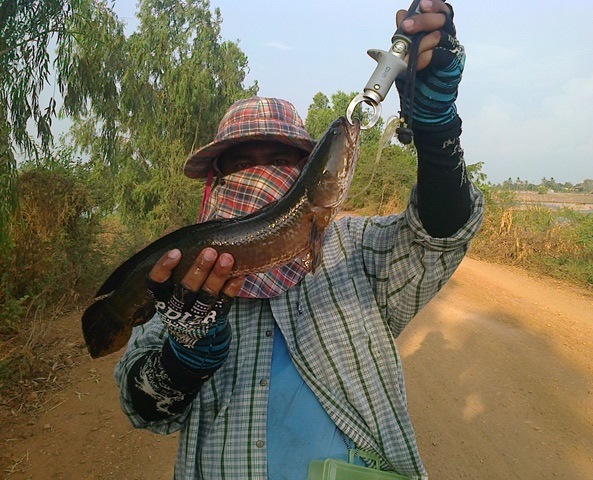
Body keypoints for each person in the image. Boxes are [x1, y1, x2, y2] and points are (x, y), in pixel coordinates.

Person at [114, 1, 484, 478]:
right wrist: (184, 355)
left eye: (283, 158)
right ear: (217, 179)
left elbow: (441, 233)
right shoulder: (181, 281)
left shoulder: (355, 249)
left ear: (305, 173)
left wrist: (436, 130)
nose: (263, 172)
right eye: (243, 160)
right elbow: (143, 407)